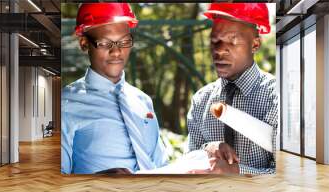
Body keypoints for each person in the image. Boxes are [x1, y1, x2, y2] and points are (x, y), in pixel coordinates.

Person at [61, 3, 168, 174]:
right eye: (104, 43)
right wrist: (97, 181)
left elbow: (162, 165)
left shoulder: (143, 101)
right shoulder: (65, 104)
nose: (117, 52)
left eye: (124, 42)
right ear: (84, 44)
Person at [187, 3, 277, 175]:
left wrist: (236, 171)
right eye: (215, 41)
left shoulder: (275, 96)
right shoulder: (201, 100)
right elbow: (189, 161)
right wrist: (208, 148)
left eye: (232, 41)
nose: (220, 51)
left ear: (255, 44)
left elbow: (286, 173)